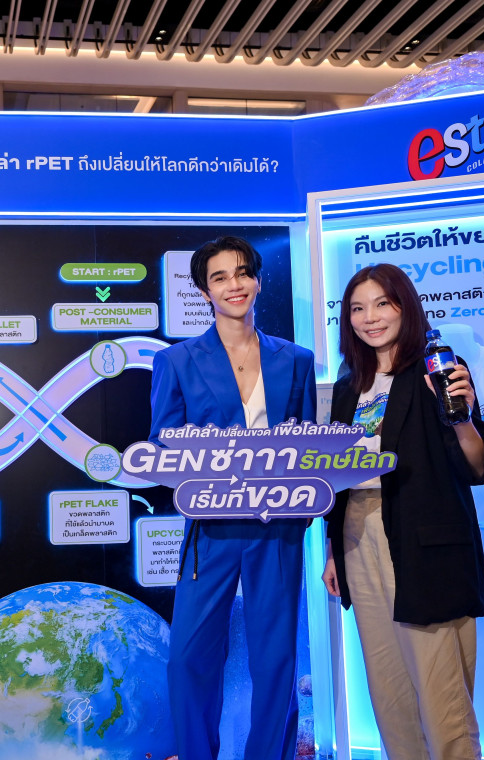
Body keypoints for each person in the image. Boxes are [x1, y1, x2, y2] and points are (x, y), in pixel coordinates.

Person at [321, 264, 484, 759]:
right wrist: (333, 550)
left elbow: (477, 466)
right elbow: (338, 474)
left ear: (405, 306)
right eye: (357, 308)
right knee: (388, 690)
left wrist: (465, 418)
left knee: (441, 694)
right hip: (357, 536)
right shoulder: (347, 386)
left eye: (382, 304)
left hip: (424, 541)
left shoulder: (436, 368)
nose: (370, 317)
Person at [149, 236, 316, 760]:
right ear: (204, 291)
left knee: (276, 660)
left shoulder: (297, 360)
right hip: (211, 529)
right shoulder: (176, 361)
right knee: (189, 658)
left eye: (242, 273)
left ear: (258, 281)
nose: (234, 285)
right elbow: (162, 446)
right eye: (220, 277)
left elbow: (309, 446)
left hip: (277, 527)